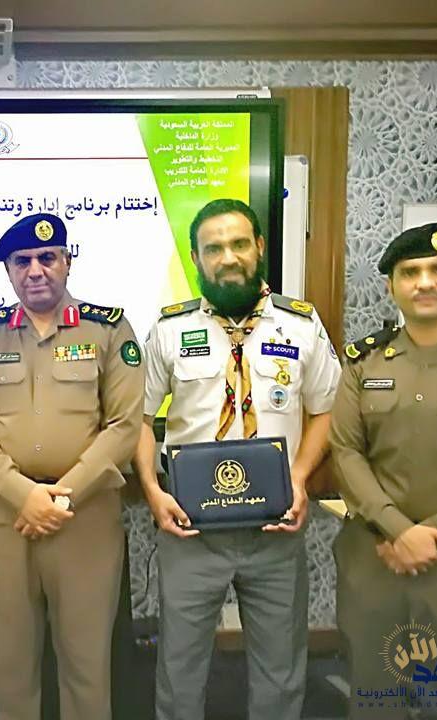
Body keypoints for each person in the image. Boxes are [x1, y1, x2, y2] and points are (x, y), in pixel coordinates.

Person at [134, 198, 341, 719]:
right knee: (180, 669)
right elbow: (137, 417)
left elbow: (326, 410)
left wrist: (299, 479)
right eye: (214, 248)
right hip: (190, 530)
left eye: (239, 244)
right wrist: (153, 491)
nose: (228, 257)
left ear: (260, 248)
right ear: (196, 258)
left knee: (281, 669)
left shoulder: (300, 324)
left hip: (275, 528)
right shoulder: (169, 329)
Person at [0, 213, 144, 720]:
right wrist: (24, 495)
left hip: (85, 516)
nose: (35, 270)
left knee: (86, 661)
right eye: (22, 261)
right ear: (9, 270)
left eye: (46, 258)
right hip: (7, 517)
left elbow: (125, 426)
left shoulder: (108, 329)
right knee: (10, 661)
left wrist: (61, 496)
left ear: (67, 261)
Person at [330, 222, 437, 719]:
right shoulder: (364, 361)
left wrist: (432, 535)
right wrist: (398, 530)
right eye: (410, 272)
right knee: (375, 696)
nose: (425, 282)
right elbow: (345, 451)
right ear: (391, 286)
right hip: (377, 557)